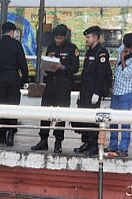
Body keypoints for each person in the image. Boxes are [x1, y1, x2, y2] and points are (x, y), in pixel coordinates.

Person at [31, 24, 79, 153]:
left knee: (60, 115)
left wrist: (62, 67)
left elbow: (75, 68)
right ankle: (43, 140)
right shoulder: (51, 48)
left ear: (65, 37)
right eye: (56, 37)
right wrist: (47, 66)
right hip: (51, 84)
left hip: (63, 85)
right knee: (45, 112)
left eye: (60, 38)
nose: (58, 40)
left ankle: (58, 142)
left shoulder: (72, 49)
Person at [0, 21, 29, 146]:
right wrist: (25, 80)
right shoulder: (16, 45)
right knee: (13, 105)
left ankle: (2, 133)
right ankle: (11, 133)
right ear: (11, 32)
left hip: (1, 77)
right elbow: (23, 64)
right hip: (13, 77)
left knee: (2, 105)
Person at [72, 26, 111, 156]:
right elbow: (85, 73)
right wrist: (80, 92)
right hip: (85, 90)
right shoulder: (90, 52)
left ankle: (94, 144)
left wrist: (98, 92)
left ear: (95, 37)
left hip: (94, 91)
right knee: (84, 118)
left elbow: (102, 74)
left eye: (88, 37)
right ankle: (86, 142)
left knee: (92, 120)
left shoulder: (101, 52)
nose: (86, 40)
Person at [106, 33, 132, 157]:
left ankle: (124, 148)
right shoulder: (122, 47)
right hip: (117, 88)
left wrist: (123, 58)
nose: (126, 48)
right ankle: (113, 145)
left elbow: (127, 73)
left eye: (128, 47)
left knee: (125, 119)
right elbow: (116, 68)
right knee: (113, 118)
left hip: (127, 90)